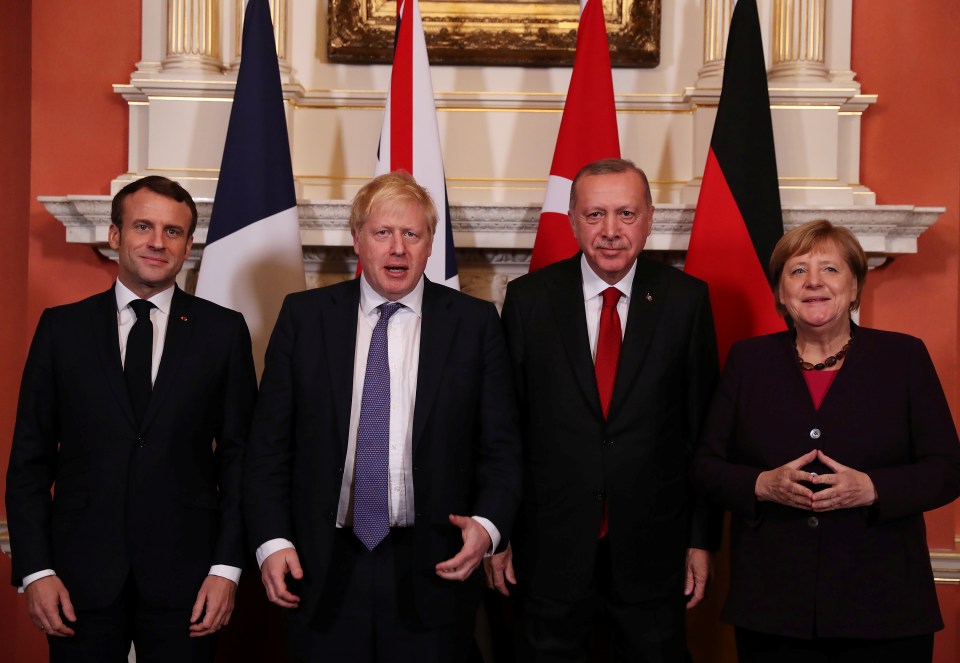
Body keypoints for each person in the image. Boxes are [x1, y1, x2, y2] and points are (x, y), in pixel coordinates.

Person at [242, 170, 522, 662]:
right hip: (319, 563)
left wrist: (487, 526)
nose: (398, 249)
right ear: (357, 240)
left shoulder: (475, 324)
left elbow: (502, 447)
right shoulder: (304, 318)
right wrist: (271, 540)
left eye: (412, 234)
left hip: (436, 562)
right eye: (383, 233)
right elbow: (267, 448)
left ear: (430, 244)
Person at [5, 175, 258, 661]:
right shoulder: (62, 330)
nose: (157, 242)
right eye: (143, 226)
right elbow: (30, 463)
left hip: (189, 580)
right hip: (77, 580)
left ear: (188, 245)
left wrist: (227, 568)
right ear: (116, 235)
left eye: (173, 231)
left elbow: (239, 460)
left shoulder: (222, 333)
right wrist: (37, 570)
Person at [486, 158, 721, 661]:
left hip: (653, 551)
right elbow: (504, 431)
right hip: (548, 550)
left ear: (650, 218)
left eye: (626, 214)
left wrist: (701, 539)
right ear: (572, 220)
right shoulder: (528, 301)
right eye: (594, 215)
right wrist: (498, 532)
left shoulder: (687, 301)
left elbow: (704, 433)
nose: (610, 231)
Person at [693, 219, 960, 662]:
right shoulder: (748, 361)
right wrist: (762, 484)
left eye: (830, 270)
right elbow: (706, 467)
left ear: (855, 286)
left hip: (883, 606)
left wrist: (873, 488)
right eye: (797, 271)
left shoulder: (903, 357)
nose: (813, 282)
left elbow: (947, 470)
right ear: (780, 292)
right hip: (773, 606)